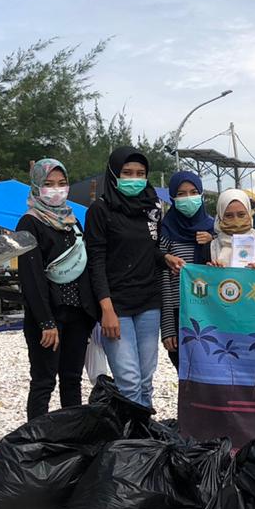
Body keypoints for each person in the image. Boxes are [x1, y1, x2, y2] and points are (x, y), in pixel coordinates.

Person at [85, 147, 183, 410]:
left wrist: (164, 258)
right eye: (127, 172)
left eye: (140, 173)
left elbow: (147, 249)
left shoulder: (151, 208)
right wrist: (106, 308)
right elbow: (95, 261)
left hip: (148, 302)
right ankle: (131, 442)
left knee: (146, 378)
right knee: (128, 380)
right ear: (114, 174)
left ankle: (143, 438)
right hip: (116, 305)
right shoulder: (99, 210)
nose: (134, 178)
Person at [15, 158, 99, 420]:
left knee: (72, 379)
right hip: (48, 315)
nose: (56, 189)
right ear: (37, 186)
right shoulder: (29, 223)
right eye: (49, 184)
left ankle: (70, 436)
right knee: (43, 380)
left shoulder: (73, 221)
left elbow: (83, 265)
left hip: (77, 314)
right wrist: (46, 322)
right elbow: (31, 277)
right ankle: (35, 438)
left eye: (62, 183)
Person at [159, 170, 214, 369]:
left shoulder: (214, 230)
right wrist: (167, 328)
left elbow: (224, 269)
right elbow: (163, 280)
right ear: (172, 197)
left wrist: (212, 243)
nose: (188, 198)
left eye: (193, 192)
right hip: (178, 314)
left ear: (201, 194)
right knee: (187, 375)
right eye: (181, 194)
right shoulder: (166, 231)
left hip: (212, 314)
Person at [210, 189, 255, 269]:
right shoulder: (211, 248)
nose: (236, 220)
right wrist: (212, 272)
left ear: (249, 214)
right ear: (220, 217)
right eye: (229, 215)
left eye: (241, 214)